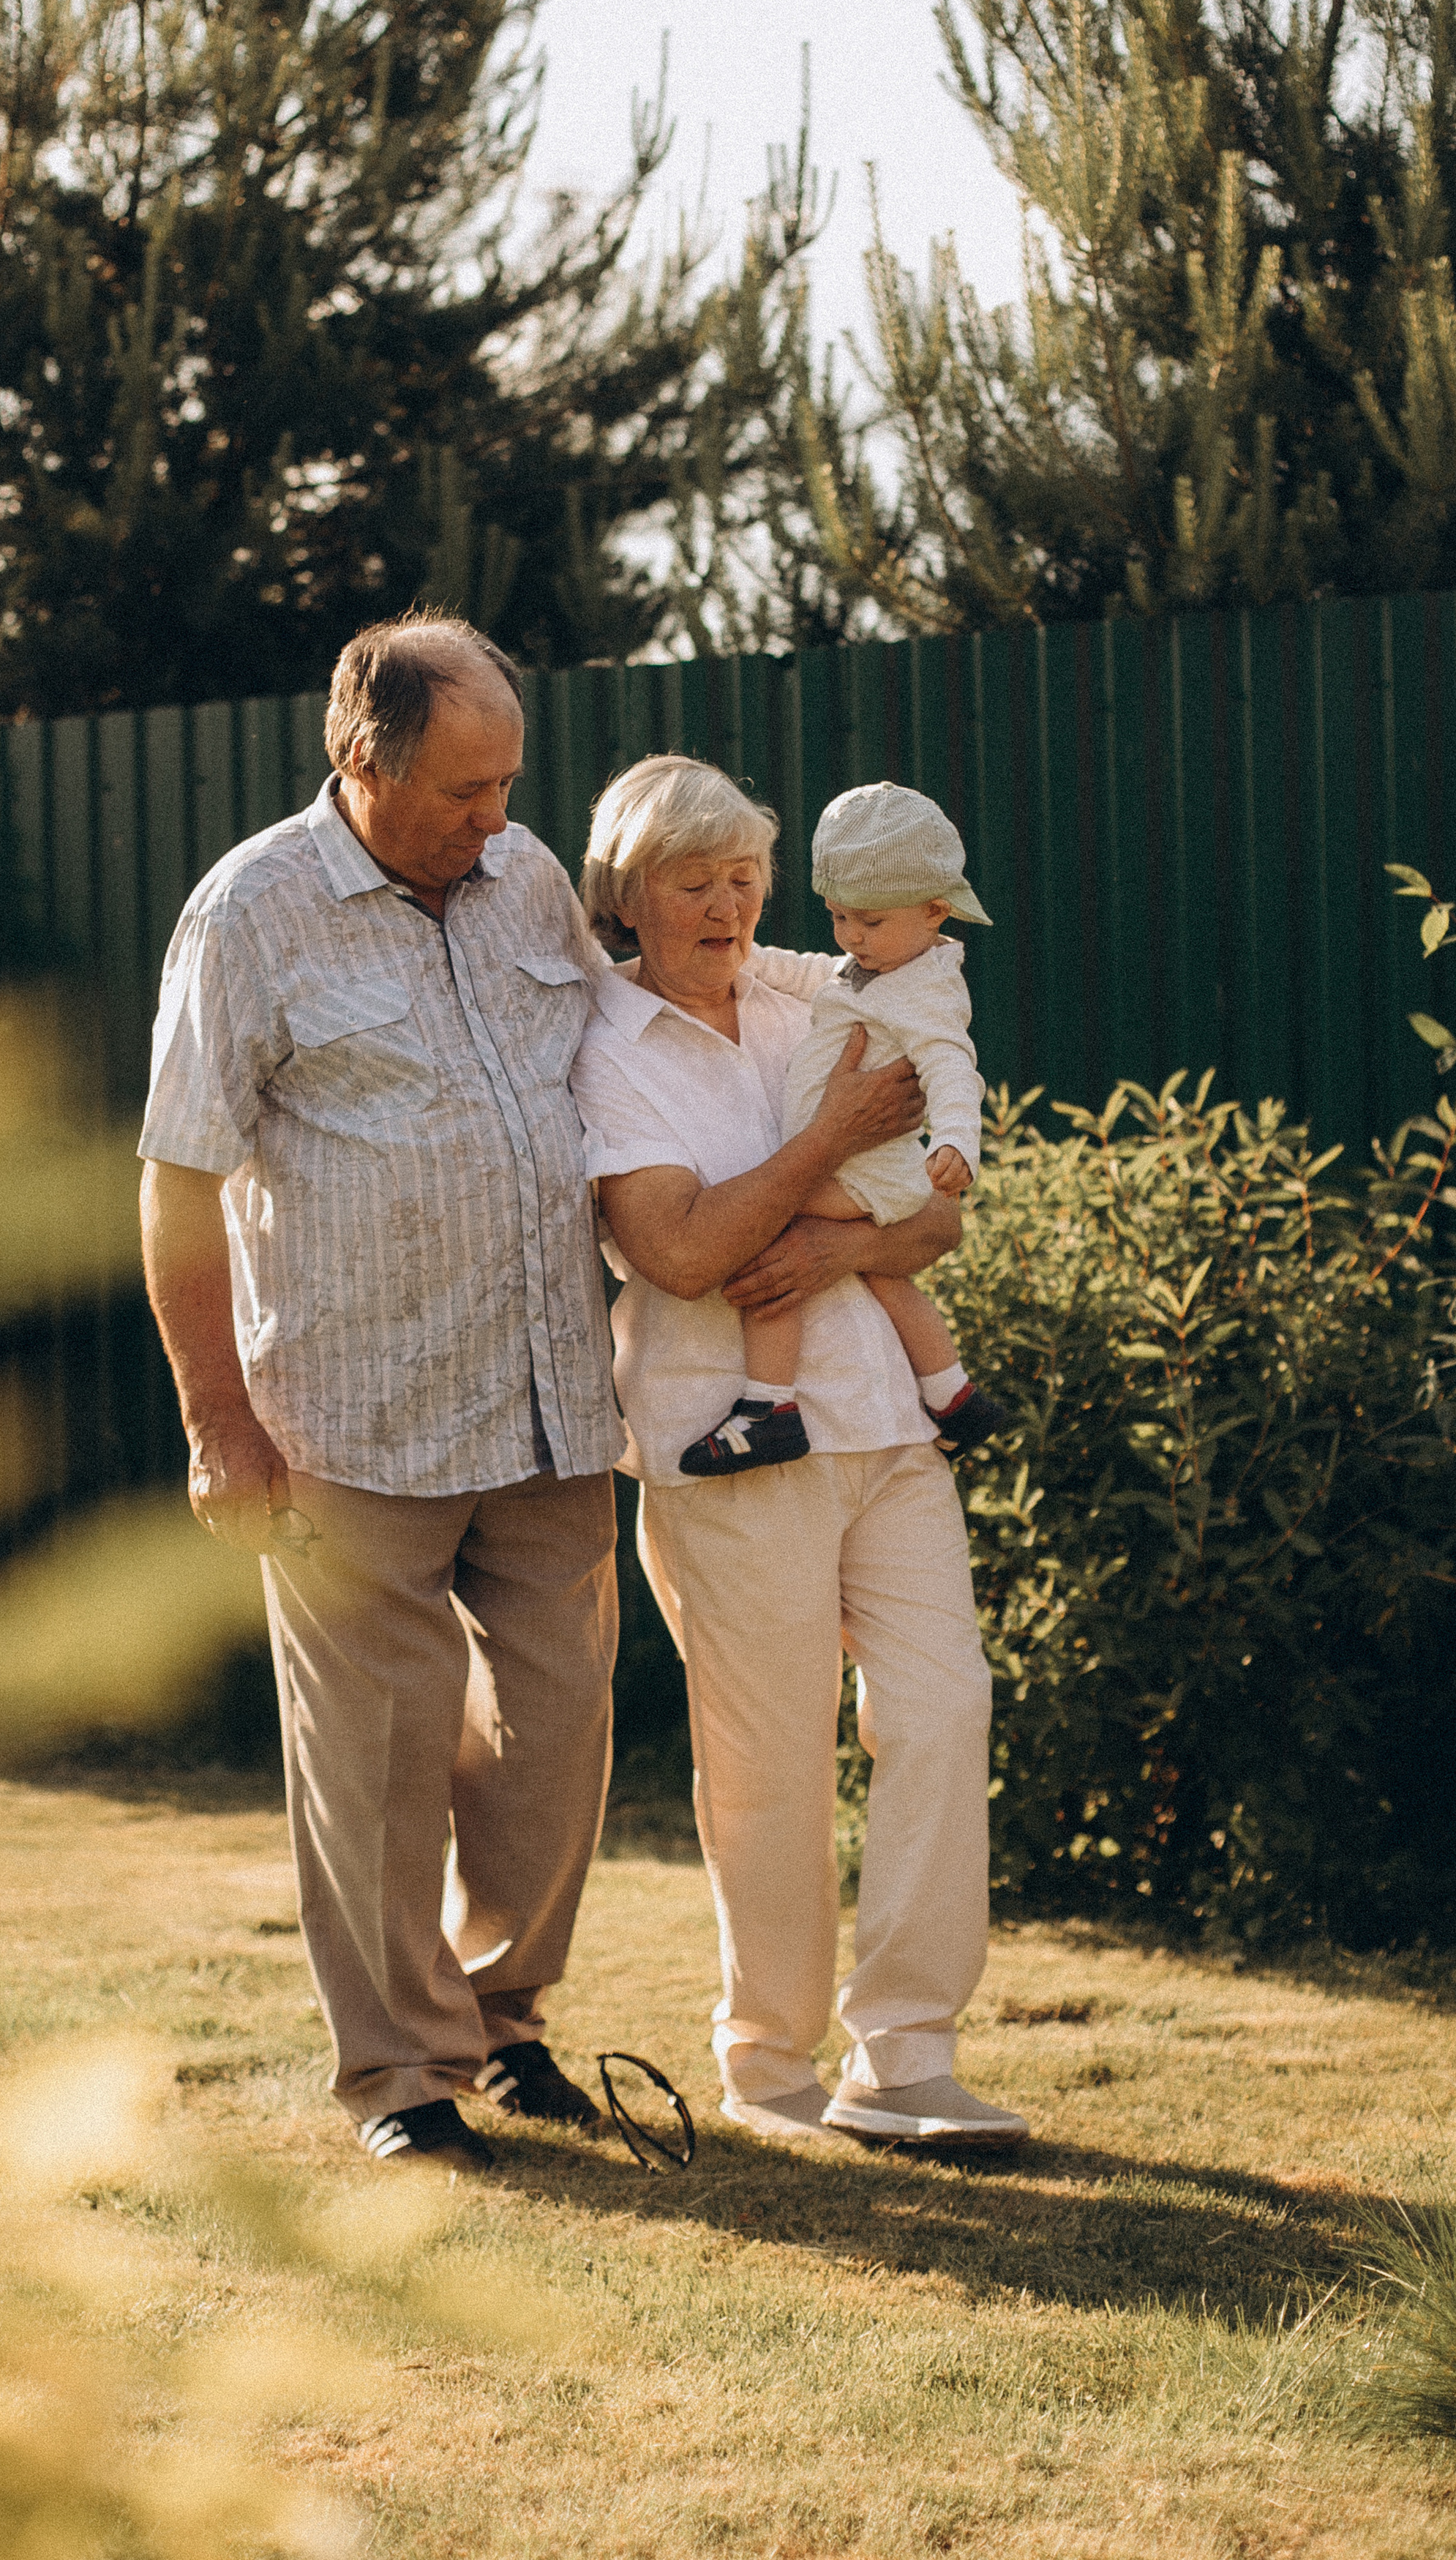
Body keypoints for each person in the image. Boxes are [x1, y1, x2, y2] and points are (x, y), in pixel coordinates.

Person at [137, 615, 626, 2179]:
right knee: (376, 1757)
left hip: (550, 1395)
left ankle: (503, 2017)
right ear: (366, 760)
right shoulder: (249, 915)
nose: (497, 819)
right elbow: (177, 1184)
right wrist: (217, 1421)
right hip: (352, 1415)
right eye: (467, 791)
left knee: (553, 1737)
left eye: (508, 786)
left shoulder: (529, 874)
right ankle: (400, 2076)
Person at [569, 753, 1030, 2149]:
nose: (728, 905)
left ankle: (906, 2060)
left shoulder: (823, 987)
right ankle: (770, 2065)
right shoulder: (602, 1049)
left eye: (746, 875)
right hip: (728, 1438)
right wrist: (829, 1144)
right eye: (693, 881)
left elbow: (937, 1218)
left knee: (944, 1709)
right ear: (626, 899)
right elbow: (683, 1250)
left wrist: (828, 1238)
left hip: (887, 1412)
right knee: (770, 1759)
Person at [678, 780, 1007, 1478]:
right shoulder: (881, 965)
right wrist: (744, 955)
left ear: (934, 911)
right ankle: (954, 1395)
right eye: (839, 918)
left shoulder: (926, 994)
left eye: (870, 922)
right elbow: (813, 975)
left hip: (864, 1170)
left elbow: (952, 1066)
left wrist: (957, 1140)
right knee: (887, 1276)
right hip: (867, 1169)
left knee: (762, 1227)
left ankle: (769, 1407)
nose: (853, 938)